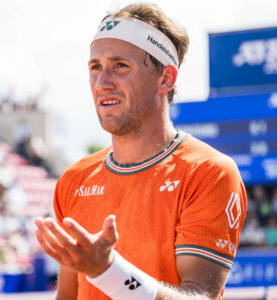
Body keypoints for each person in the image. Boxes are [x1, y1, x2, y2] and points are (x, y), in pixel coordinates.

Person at [34, 3, 247, 300]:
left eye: (121, 65)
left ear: (165, 78)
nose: (102, 83)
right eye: (95, 67)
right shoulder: (74, 179)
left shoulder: (209, 172)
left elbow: (200, 297)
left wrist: (109, 272)